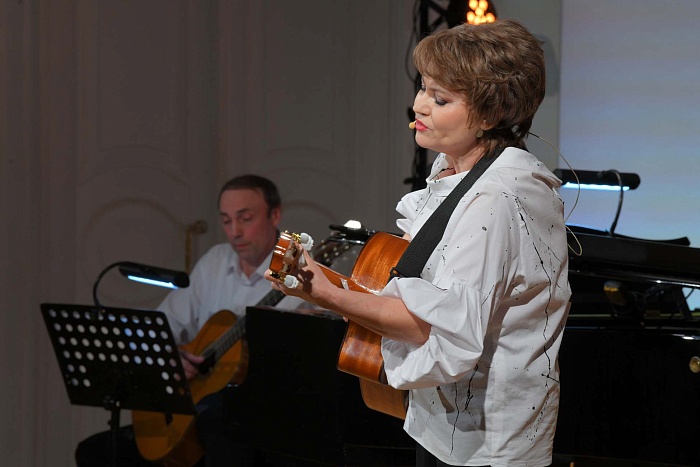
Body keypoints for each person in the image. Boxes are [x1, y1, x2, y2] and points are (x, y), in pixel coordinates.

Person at [267, 19, 571, 467]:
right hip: (440, 424)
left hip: (486, 447)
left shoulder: (495, 198)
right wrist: (322, 280)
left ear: (491, 115)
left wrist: (325, 294)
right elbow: (410, 286)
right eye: (424, 88)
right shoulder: (455, 170)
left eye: (440, 99)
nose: (419, 105)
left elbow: (432, 329)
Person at [76, 174, 303, 467]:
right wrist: (172, 358)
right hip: (195, 409)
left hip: (262, 415)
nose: (234, 232)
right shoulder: (216, 260)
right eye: (226, 220)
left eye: (245, 219)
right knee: (94, 452)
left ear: (275, 215)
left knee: (219, 425)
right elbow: (163, 326)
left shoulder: (299, 268)